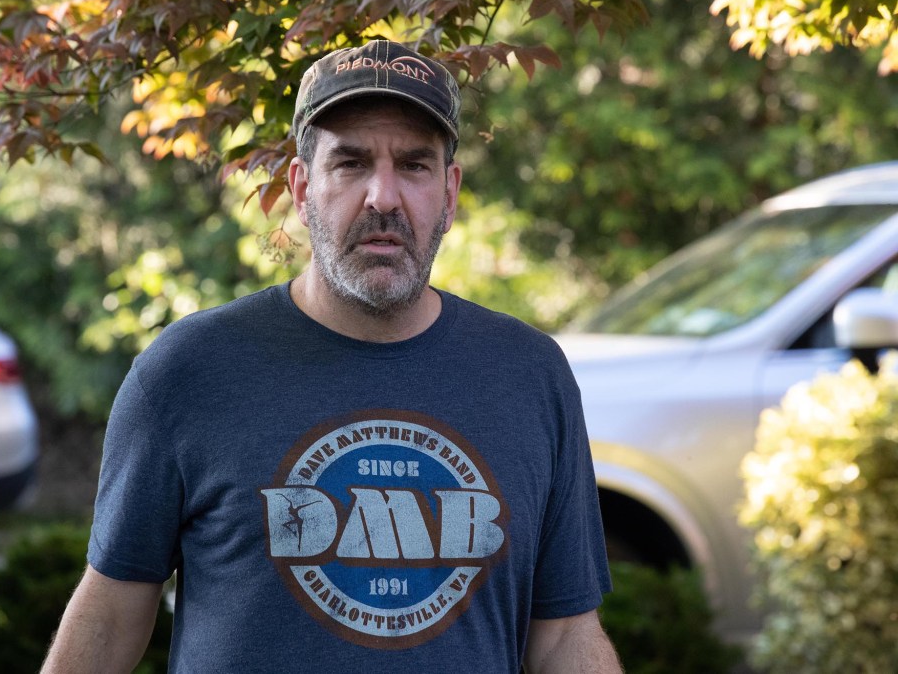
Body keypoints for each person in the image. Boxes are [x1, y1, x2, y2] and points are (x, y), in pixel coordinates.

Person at [42, 39, 621, 673]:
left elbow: (565, 634)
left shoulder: (530, 376)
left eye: (414, 165)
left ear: (450, 192)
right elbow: (111, 611)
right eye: (349, 163)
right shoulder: (189, 373)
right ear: (301, 187)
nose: (383, 197)